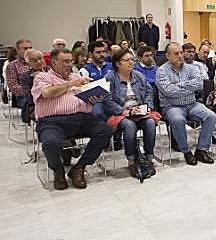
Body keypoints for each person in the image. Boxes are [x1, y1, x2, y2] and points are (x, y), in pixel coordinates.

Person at [32, 48, 114, 190]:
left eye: (71, 61)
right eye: (65, 61)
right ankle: (58, 170)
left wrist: (92, 99)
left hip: (82, 118)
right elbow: (47, 93)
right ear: (53, 62)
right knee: (51, 141)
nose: (70, 64)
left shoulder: (77, 76)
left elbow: (87, 100)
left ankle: (80, 167)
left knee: (106, 130)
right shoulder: (42, 78)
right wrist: (71, 84)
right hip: (53, 122)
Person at [155, 43, 216, 165]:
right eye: (176, 53)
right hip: (172, 106)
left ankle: (201, 150)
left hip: (191, 104)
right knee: (178, 120)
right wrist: (189, 87)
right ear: (167, 56)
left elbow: (199, 84)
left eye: (181, 52)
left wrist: (180, 85)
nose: (180, 55)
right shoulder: (161, 71)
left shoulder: (191, 68)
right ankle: (186, 151)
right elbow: (169, 91)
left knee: (211, 116)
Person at [103, 49, 157, 177]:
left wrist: (147, 107)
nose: (131, 62)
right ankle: (132, 161)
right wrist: (124, 111)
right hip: (120, 113)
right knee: (129, 126)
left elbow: (149, 93)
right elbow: (107, 100)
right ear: (118, 64)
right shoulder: (110, 78)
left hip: (140, 111)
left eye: (132, 60)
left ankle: (149, 158)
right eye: (127, 60)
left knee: (150, 123)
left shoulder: (139, 76)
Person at [5, 38, 32, 108]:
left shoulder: (37, 63)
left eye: (30, 48)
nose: (29, 51)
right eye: (25, 49)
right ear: (18, 51)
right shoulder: (12, 66)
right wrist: (31, 92)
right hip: (24, 97)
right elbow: (13, 86)